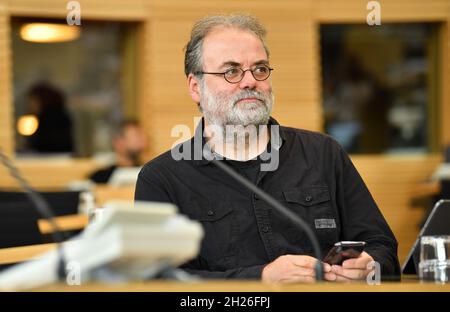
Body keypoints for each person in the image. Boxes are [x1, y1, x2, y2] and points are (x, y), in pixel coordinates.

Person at [135, 14, 400, 283]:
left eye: (260, 69)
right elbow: (158, 280)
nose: (250, 81)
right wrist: (260, 278)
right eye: (231, 71)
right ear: (195, 87)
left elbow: (383, 248)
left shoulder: (324, 154)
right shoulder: (162, 178)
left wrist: (369, 266)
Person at [26, 83, 74, 153]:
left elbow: (47, 143)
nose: (30, 105)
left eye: (33, 100)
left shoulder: (50, 119)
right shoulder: (42, 118)